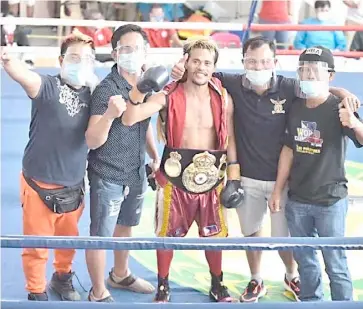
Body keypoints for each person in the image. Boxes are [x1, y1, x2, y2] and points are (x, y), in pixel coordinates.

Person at [170, 36, 360, 303]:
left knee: (292, 242)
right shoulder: (233, 83)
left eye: (264, 61)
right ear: (243, 61)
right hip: (248, 177)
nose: (258, 67)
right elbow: (202, 69)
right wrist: (178, 67)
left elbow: (320, 86)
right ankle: (256, 278)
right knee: (252, 233)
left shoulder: (291, 87)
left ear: (275, 62)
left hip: (289, 184)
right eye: (251, 61)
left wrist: (344, 93)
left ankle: (292, 276)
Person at [122, 37, 244, 303]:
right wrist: (140, 90)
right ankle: (163, 285)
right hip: (175, 177)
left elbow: (230, 137)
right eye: (196, 61)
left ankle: (217, 283)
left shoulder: (224, 98)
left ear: (214, 67)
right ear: (186, 62)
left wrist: (234, 177)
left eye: (207, 63)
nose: (201, 67)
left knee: (215, 235)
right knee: (167, 234)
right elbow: (130, 118)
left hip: (213, 177)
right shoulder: (167, 94)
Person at [1, 32, 97, 301]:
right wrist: (10, 61)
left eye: (87, 58)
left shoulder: (94, 93)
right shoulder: (48, 86)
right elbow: (26, 77)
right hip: (39, 183)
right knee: (37, 243)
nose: (81, 62)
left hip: (75, 183)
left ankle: (62, 277)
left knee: (69, 240)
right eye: (74, 57)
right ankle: (36, 289)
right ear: (61, 60)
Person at [269, 46, 363, 302]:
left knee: (336, 262)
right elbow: (288, 149)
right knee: (305, 261)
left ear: (330, 75)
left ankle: (344, 305)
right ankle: (311, 303)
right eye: (304, 70)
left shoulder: (340, 108)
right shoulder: (295, 107)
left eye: (315, 70)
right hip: (298, 198)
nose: (308, 75)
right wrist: (278, 189)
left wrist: (354, 122)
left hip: (330, 199)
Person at [84, 24, 159, 302]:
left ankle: (120, 274)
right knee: (100, 234)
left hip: (135, 170)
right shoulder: (106, 90)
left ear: (145, 52)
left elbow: (144, 121)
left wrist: (153, 154)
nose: (131, 53)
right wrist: (110, 116)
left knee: (126, 225)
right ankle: (97, 290)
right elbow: (92, 139)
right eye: (125, 48)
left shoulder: (146, 83)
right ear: (115, 53)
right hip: (108, 172)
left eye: (136, 48)